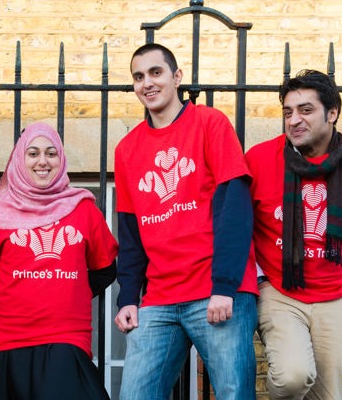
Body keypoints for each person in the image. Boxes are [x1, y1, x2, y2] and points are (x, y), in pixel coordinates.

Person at [113, 43, 258, 399]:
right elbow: (131, 232)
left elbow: (234, 210)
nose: (147, 83)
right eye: (138, 76)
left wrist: (224, 286)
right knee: (135, 395)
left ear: (177, 77)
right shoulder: (127, 149)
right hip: (160, 297)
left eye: (155, 72)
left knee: (233, 394)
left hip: (217, 290)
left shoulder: (210, 123)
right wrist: (128, 297)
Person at [246, 69, 342, 399]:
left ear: (332, 113)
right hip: (281, 292)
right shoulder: (258, 160)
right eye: (288, 112)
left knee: (329, 395)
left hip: (340, 296)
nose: (294, 120)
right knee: (292, 378)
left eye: (305, 110)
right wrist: (260, 280)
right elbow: (240, 228)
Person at [0, 122, 117, 400]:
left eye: (51, 153)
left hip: (66, 337)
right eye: (32, 153)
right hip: (8, 339)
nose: (42, 161)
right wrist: (10, 296)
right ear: (20, 160)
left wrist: (71, 292)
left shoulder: (84, 209)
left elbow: (105, 270)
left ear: (61, 159)